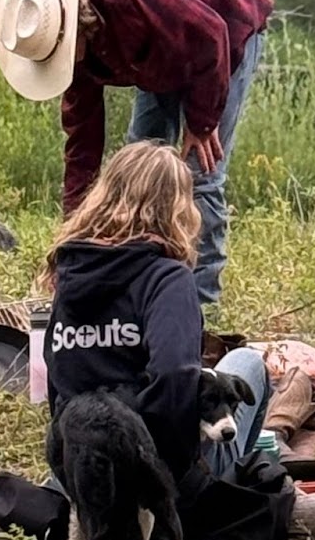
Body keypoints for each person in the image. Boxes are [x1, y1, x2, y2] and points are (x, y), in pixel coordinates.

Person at [0, 0, 274, 303]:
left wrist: (202, 122)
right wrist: (73, 240)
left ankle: (202, 305)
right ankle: (141, 291)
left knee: (198, 174)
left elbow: (211, 34)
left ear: (75, 30)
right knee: (134, 173)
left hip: (224, 39)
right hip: (162, 60)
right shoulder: (74, 59)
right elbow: (83, 150)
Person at [39, 140, 269, 490]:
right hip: (150, 474)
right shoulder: (166, 277)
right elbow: (174, 375)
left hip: (81, 466)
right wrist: (165, 475)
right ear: (179, 208)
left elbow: (56, 384)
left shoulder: (70, 269)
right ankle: (208, 503)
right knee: (247, 362)